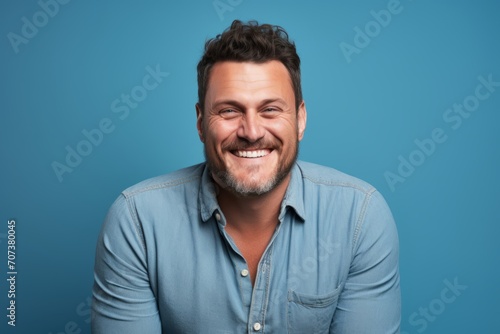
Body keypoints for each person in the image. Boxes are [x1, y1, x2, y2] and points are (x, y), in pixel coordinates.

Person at [92, 20, 400, 333]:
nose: (251, 132)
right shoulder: (137, 222)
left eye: (270, 110)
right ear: (201, 122)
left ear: (300, 119)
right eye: (229, 111)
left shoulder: (360, 218)